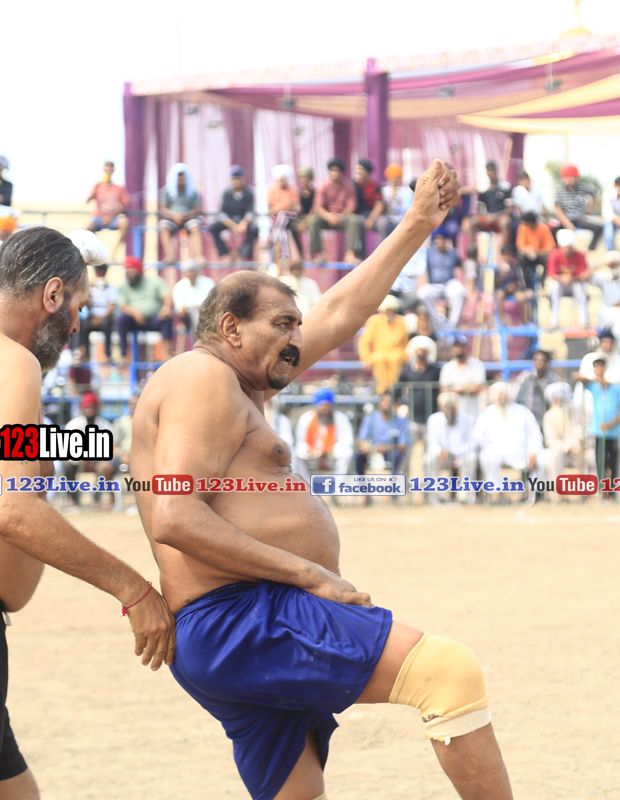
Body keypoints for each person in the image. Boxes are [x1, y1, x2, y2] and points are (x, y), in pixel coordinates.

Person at [128, 160, 514, 800]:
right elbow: (176, 515)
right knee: (449, 673)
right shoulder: (203, 377)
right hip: (242, 620)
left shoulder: (238, 383)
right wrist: (310, 575)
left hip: (234, 625)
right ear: (230, 328)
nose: (296, 339)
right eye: (282, 324)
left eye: (296, 326)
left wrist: (417, 223)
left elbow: (340, 311)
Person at [0, 227, 174, 800]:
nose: (78, 325)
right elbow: (11, 509)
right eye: (77, 306)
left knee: (15, 792)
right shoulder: (9, 364)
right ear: (52, 294)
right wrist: (133, 589)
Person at [473, 381, 545, 498]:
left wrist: (533, 452)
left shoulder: (523, 411)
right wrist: (488, 445)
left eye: (503, 394)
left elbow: (535, 435)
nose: (500, 398)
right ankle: (498, 493)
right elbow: (477, 436)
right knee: (486, 455)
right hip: (497, 451)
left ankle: (531, 493)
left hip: (521, 452)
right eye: (497, 395)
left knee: (542, 458)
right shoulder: (487, 413)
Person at [576, 357, 620, 499]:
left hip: (613, 432)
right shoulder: (593, 386)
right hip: (598, 431)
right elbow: (577, 377)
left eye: (601, 367)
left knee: (613, 462)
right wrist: (596, 380)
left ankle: (612, 492)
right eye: (596, 367)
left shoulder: (616, 387)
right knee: (600, 462)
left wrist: (610, 424)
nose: (599, 369)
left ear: (605, 368)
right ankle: (603, 491)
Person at [62, 391, 119, 510]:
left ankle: (96, 500)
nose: (89, 410)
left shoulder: (105, 425)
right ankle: (74, 500)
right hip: (77, 458)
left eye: (92, 407)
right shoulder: (74, 424)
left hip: (98, 458)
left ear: (97, 408)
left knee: (104, 466)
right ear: (82, 408)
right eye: (87, 407)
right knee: (67, 465)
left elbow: (111, 447)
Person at [116, 256, 174, 363]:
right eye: (127, 272)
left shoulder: (154, 281)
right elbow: (122, 305)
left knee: (167, 319)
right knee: (121, 319)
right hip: (134, 320)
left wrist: (165, 309)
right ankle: (123, 355)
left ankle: (166, 353)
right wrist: (135, 314)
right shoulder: (124, 286)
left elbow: (167, 296)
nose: (129, 275)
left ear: (139, 271)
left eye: (132, 272)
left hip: (154, 318)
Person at [425, 391, 477, 503]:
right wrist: (440, 451)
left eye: (451, 408)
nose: (449, 411)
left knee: (471, 457)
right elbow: (432, 443)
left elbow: (472, 443)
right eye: (446, 408)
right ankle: (435, 496)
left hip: (461, 455)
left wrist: (454, 452)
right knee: (429, 459)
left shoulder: (468, 419)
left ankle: (464, 497)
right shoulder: (434, 419)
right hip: (442, 456)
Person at [398, 334, 442, 464]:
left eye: (423, 350)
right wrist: (398, 407)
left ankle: (428, 476)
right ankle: (404, 476)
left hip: (431, 417)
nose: (421, 352)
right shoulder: (407, 370)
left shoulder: (435, 370)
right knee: (407, 453)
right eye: (418, 349)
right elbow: (397, 390)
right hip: (412, 417)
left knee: (429, 453)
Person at [294, 387, 355, 477]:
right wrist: (310, 450)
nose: (324, 408)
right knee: (297, 454)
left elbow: (347, 440)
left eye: (327, 405)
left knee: (346, 452)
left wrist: (328, 450)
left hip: (332, 452)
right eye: (322, 405)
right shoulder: (306, 418)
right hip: (312, 453)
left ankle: (338, 483)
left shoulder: (340, 418)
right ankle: (306, 483)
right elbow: (300, 441)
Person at [310, 158, 361, 264]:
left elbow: (351, 206)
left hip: (343, 217)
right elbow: (318, 207)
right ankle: (318, 254)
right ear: (329, 172)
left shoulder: (349, 186)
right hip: (326, 217)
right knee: (313, 221)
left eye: (338, 171)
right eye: (333, 170)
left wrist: (340, 216)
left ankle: (350, 254)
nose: (335, 173)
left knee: (355, 220)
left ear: (342, 173)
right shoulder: (322, 186)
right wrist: (328, 216)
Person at [358, 295, 410, 394]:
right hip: (380, 352)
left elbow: (405, 343)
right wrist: (366, 358)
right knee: (379, 358)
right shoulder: (374, 321)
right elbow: (365, 341)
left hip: (396, 353)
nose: (389, 313)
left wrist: (405, 356)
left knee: (395, 358)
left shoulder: (401, 322)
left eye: (392, 311)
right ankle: (382, 391)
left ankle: (396, 390)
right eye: (387, 311)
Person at [209, 165, 258, 261]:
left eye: (238, 178)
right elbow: (222, 213)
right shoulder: (226, 193)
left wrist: (243, 224)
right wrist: (233, 226)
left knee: (255, 229)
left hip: (243, 221)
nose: (236, 181)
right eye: (234, 179)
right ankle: (224, 253)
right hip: (230, 220)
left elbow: (250, 212)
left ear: (243, 179)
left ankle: (242, 254)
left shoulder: (249, 193)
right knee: (213, 228)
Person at [419, 234, 467, 328]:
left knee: (460, 291)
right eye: (438, 240)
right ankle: (436, 321)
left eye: (442, 240)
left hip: (448, 284)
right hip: (434, 285)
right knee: (422, 293)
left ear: (446, 241)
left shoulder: (453, 254)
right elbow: (422, 270)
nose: (440, 243)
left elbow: (463, 267)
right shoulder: (429, 254)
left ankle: (453, 323)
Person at [546, 228, 590, 329]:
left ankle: (583, 321)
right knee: (554, 287)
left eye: (570, 247)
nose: (568, 250)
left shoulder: (580, 255)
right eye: (565, 247)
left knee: (581, 288)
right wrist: (562, 279)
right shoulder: (554, 254)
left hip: (574, 283)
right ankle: (553, 322)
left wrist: (571, 279)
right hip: (560, 284)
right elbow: (551, 274)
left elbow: (584, 275)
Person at [158, 163, 203, 262]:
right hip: (171, 219)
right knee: (164, 226)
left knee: (195, 226)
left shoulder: (193, 191)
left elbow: (196, 209)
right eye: (179, 178)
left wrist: (185, 216)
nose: (181, 181)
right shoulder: (167, 190)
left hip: (188, 218)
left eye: (183, 178)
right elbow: (164, 209)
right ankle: (170, 255)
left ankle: (199, 256)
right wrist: (174, 216)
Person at [87, 160, 130, 261]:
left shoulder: (118, 188)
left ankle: (114, 252)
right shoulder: (98, 186)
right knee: (88, 229)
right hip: (98, 217)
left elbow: (124, 205)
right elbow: (88, 200)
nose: (108, 170)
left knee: (125, 223)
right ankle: (96, 253)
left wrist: (110, 217)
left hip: (112, 218)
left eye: (110, 168)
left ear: (113, 170)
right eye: (106, 168)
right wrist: (96, 189)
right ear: (103, 170)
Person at [552, 164, 602, 250]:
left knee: (598, 228)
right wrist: (568, 224)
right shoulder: (560, 190)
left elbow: (595, 192)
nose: (571, 179)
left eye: (573, 176)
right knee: (550, 229)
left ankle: (590, 250)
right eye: (569, 177)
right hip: (565, 219)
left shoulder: (582, 188)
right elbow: (558, 210)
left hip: (579, 219)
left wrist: (590, 207)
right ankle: (556, 251)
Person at [75, 263, 117, 362]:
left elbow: (111, 309)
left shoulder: (111, 288)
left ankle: (107, 355)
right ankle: (84, 353)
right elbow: (87, 306)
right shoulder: (91, 288)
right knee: (83, 325)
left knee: (107, 325)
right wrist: (87, 292)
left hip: (105, 317)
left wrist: (100, 319)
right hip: (93, 316)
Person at [439, 334, 486, 420]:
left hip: (473, 411)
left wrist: (455, 389)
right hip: (454, 415)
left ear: (467, 348)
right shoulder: (447, 367)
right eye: (457, 346)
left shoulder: (477, 365)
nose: (459, 349)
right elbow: (444, 389)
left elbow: (478, 388)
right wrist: (467, 388)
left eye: (462, 346)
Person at [592, 252, 620, 342]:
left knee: (619, 312)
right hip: (607, 318)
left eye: (616, 264)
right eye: (611, 265)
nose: (614, 267)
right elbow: (584, 277)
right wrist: (602, 264)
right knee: (617, 312)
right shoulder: (603, 279)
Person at [510, 349, 561, 427]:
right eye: (537, 360)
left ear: (547, 363)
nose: (540, 363)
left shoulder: (554, 379)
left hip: (548, 422)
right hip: (529, 420)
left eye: (543, 361)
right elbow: (516, 396)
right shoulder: (526, 377)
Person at [172, 262, 216, 345]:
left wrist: (190, 305)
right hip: (187, 318)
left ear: (198, 272)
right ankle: (200, 343)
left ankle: (201, 344)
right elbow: (180, 309)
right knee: (194, 312)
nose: (190, 274)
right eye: (188, 272)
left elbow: (210, 302)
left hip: (208, 315)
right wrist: (195, 306)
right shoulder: (179, 286)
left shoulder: (208, 282)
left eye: (193, 271)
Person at [268, 164, 302, 264]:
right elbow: (270, 210)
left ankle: (271, 240)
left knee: (282, 215)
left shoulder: (293, 189)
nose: (282, 182)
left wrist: (281, 208)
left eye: (283, 180)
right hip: (278, 221)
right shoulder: (272, 189)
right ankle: (284, 253)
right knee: (282, 229)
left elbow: (296, 207)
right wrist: (283, 206)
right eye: (280, 180)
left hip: (290, 217)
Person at [515, 210, 554, 294]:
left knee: (549, 259)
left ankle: (542, 285)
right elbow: (520, 247)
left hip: (540, 255)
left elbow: (550, 248)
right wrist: (528, 251)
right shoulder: (522, 228)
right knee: (520, 258)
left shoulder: (544, 228)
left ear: (531, 222)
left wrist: (537, 252)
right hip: (528, 255)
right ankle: (526, 287)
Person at [352, 159, 384, 261]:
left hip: (372, 214)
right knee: (358, 222)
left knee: (383, 223)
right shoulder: (353, 185)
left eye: (361, 170)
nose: (359, 172)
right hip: (359, 215)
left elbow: (379, 205)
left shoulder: (375, 186)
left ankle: (383, 254)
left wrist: (371, 219)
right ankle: (361, 256)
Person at [377, 164, 413, 241]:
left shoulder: (407, 192)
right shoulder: (384, 190)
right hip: (388, 219)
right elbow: (382, 208)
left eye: (397, 177)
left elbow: (407, 208)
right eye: (392, 177)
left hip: (401, 219)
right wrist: (391, 196)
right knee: (382, 223)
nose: (395, 180)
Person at [290, 167, 317, 248]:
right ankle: (299, 252)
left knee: (314, 224)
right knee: (291, 226)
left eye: (306, 177)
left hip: (312, 216)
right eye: (302, 177)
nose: (304, 179)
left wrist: (304, 223)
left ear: (311, 178)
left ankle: (314, 251)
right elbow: (296, 208)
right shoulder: (297, 192)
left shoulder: (316, 192)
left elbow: (315, 209)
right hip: (300, 217)